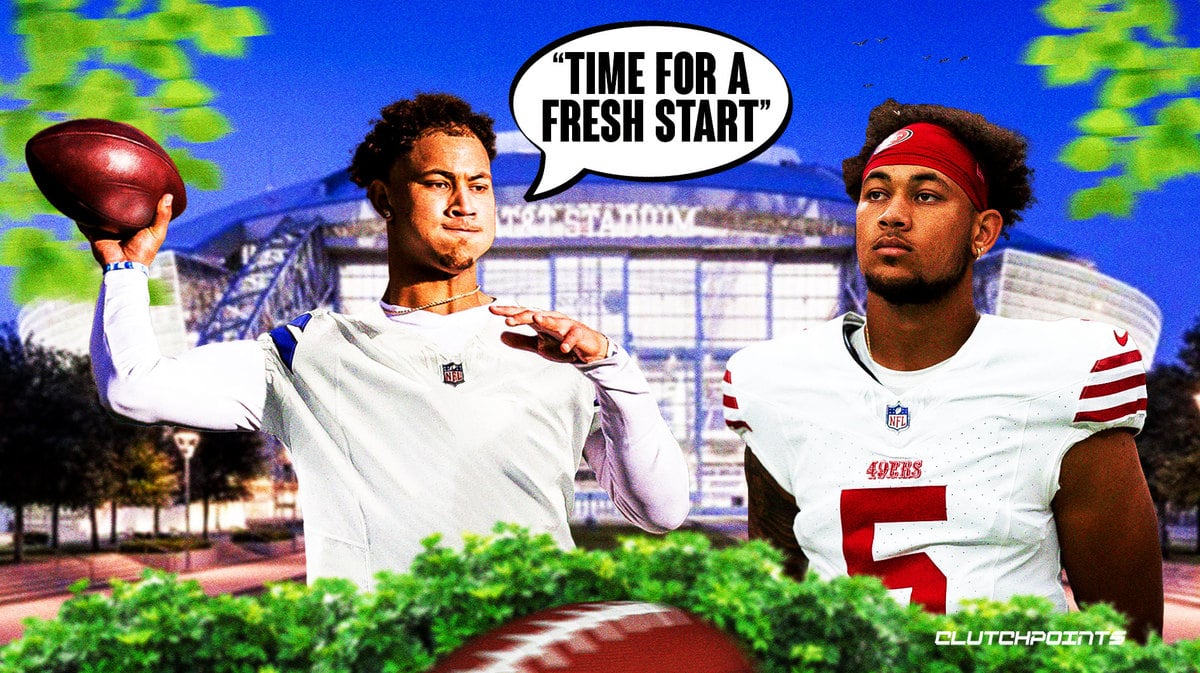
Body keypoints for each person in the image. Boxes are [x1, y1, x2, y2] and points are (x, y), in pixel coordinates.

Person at [86, 93, 690, 589]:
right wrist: (124, 271)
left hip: (528, 650)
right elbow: (132, 387)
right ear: (383, 199)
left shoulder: (556, 354)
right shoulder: (305, 352)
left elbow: (660, 512)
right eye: (438, 183)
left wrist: (614, 370)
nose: (463, 204)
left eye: (479, 186)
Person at [723, 99, 1162, 641]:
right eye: (875, 193)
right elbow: (773, 608)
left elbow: (1127, 635)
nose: (892, 214)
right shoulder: (778, 382)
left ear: (983, 232)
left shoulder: (1061, 377)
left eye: (926, 195)